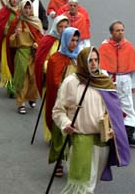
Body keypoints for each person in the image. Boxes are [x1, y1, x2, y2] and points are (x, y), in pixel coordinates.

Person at [52, 46, 130, 193]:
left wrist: (112, 129)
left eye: (96, 60)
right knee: (81, 185)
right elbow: (58, 111)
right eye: (90, 60)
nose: (94, 63)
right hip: (81, 138)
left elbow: (113, 112)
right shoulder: (71, 82)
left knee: (92, 182)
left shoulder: (104, 82)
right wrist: (66, 124)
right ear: (82, 62)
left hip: (101, 140)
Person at [99, 20, 135, 145]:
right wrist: (106, 82)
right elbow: (102, 67)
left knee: (128, 107)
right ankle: (108, 133)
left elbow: (133, 67)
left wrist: (134, 84)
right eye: (117, 30)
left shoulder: (128, 46)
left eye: (122, 30)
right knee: (109, 107)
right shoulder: (105, 46)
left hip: (125, 80)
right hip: (111, 80)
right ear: (112, 32)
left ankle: (128, 134)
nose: (120, 32)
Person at [45, 27, 80, 177]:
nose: (74, 43)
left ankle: (73, 162)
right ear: (65, 39)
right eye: (72, 40)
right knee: (59, 133)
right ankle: (58, 162)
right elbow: (53, 82)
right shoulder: (55, 59)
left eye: (76, 40)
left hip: (76, 101)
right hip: (60, 100)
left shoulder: (79, 59)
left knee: (75, 133)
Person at [34, 15, 69, 142]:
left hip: (66, 82)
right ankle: (50, 134)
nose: (63, 29)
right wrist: (53, 67)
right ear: (56, 26)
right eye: (61, 26)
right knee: (50, 107)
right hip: (50, 80)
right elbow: (41, 61)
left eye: (66, 27)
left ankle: (62, 133)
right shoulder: (48, 41)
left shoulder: (71, 41)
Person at [8, 0, 43, 114]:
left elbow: (41, 38)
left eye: (29, 8)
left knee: (34, 77)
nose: (27, 10)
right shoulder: (17, 22)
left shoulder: (36, 22)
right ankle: (21, 102)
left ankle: (32, 98)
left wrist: (37, 44)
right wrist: (15, 35)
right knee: (22, 77)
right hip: (22, 52)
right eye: (25, 8)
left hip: (34, 53)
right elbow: (11, 42)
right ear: (22, 9)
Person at [0, 0, 19, 97]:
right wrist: (10, 30)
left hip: (18, 42)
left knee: (17, 64)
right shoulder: (4, 11)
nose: (14, 0)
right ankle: (10, 87)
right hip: (6, 42)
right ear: (9, 0)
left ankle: (17, 86)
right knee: (7, 64)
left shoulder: (21, 11)